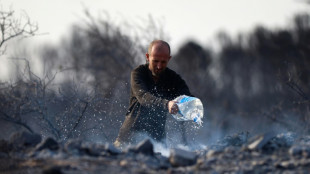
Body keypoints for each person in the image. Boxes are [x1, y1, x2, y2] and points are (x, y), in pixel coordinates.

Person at [114, 40, 192, 147]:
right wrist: (167, 104)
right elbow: (144, 97)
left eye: (163, 62)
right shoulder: (138, 73)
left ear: (169, 59)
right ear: (147, 57)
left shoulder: (173, 78)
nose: (159, 66)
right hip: (129, 139)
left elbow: (188, 97)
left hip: (157, 141)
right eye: (155, 61)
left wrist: (183, 104)